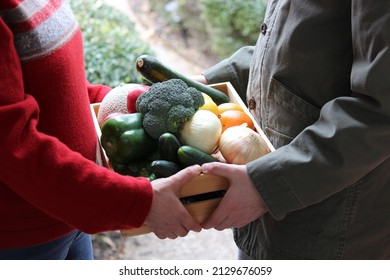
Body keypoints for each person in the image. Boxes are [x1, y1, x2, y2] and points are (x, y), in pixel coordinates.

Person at [0, 0, 202, 260]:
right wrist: (139, 203)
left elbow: (55, 82)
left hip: (70, 212)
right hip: (23, 237)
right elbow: (12, 146)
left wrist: (121, 102)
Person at [195, 0, 390, 259]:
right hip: (274, 191)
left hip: (330, 226)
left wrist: (266, 187)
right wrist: (210, 82)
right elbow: (297, 43)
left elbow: (381, 110)